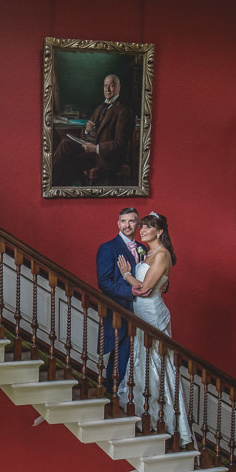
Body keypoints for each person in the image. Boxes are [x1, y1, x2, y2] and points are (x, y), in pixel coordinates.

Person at [115, 212, 193, 446]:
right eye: (143, 226)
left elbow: (146, 289)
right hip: (140, 313)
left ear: (160, 231)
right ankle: (142, 414)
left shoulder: (162, 254)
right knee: (141, 359)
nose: (143, 230)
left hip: (152, 313)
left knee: (156, 363)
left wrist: (127, 274)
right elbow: (158, 282)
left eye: (148, 227)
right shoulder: (148, 253)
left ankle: (166, 423)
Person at [51, 74, 134, 186]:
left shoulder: (124, 111)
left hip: (105, 158)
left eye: (112, 86)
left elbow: (120, 144)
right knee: (65, 143)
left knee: (67, 161)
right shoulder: (100, 107)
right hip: (91, 152)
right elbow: (85, 135)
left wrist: (96, 148)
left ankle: (49, 182)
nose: (108, 89)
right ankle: (50, 181)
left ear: (119, 88)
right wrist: (87, 129)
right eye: (105, 86)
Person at [95, 207, 142, 395]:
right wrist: (130, 290)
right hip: (120, 311)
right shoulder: (107, 248)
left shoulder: (144, 248)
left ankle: (132, 399)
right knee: (119, 358)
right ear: (118, 223)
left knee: (138, 357)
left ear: (138, 224)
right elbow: (104, 283)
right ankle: (111, 397)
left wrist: (163, 284)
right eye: (123, 221)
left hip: (142, 311)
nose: (127, 225)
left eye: (131, 221)